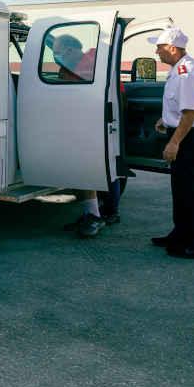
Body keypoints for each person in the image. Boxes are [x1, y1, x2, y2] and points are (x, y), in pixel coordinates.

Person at [148, 26, 194, 260]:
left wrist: (174, 143)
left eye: (159, 47)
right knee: (181, 189)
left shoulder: (186, 72)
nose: (157, 52)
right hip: (184, 133)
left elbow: (189, 114)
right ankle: (181, 234)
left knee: (193, 191)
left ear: (172, 48)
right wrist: (165, 120)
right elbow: (179, 109)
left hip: (191, 139)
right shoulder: (178, 69)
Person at [50, 34, 119, 237]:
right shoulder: (83, 62)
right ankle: (97, 213)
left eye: (58, 51)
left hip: (94, 123)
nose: (56, 56)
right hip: (89, 122)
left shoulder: (90, 64)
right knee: (98, 169)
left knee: (91, 170)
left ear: (71, 50)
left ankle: (100, 215)